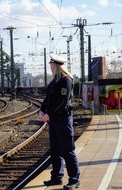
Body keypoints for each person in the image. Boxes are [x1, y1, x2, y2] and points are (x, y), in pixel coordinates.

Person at [39, 54, 80, 190]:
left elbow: (62, 102)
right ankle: (56, 177)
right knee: (55, 150)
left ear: (57, 66)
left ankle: (74, 179)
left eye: (51, 65)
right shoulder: (54, 82)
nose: (50, 67)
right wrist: (42, 110)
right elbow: (48, 99)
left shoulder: (66, 81)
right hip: (54, 121)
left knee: (68, 150)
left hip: (63, 120)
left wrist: (48, 115)